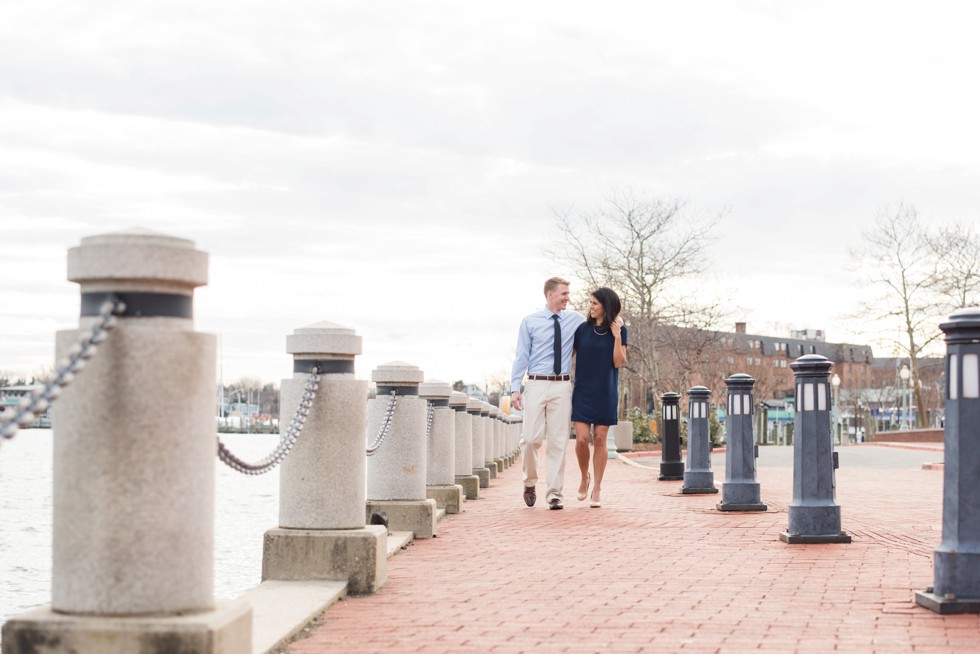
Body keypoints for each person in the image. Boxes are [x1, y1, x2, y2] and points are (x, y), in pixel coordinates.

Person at [511, 277, 585, 510]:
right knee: (531, 438)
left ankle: (554, 493)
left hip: (562, 385)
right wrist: (515, 387)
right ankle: (529, 481)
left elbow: (598, 325)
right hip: (535, 384)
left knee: (558, 441)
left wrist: (618, 322)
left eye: (568, 293)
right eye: (564, 293)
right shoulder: (530, 322)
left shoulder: (576, 320)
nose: (567, 297)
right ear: (550, 294)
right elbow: (521, 356)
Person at [571, 287, 627, 508]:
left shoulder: (621, 330)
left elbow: (618, 362)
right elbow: (569, 356)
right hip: (583, 391)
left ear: (606, 306)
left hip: (606, 391)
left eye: (595, 303)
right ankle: (585, 476)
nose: (591, 306)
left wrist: (616, 336)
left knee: (600, 439)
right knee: (582, 439)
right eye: (590, 302)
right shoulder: (582, 330)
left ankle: (597, 487)